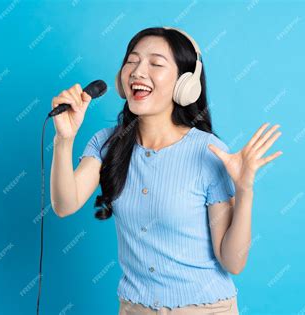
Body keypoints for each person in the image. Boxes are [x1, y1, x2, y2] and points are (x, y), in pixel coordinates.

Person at [50, 26, 282, 315]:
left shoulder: (208, 151)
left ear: (185, 84)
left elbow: (232, 261)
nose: (137, 71)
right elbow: (64, 204)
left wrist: (244, 191)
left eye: (156, 64)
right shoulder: (106, 144)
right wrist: (64, 139)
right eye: (132, 61)